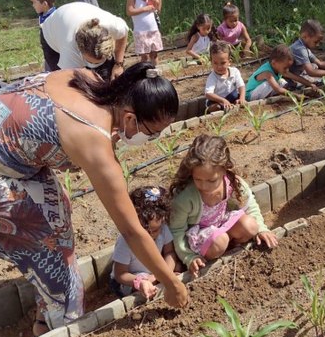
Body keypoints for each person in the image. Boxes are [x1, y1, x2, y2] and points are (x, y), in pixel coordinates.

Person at [0, 61, 189, 337]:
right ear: (131, 118)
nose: (154, 138)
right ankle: (62, 329)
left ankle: (44, 303)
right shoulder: (92, 138)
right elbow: (132, 230)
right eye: (153, 132)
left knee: (57, 210)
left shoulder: (90, 80)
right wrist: (172, 284)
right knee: (55, 251)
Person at [169, 134, 278, 278]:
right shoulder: (186, 198)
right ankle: (208, 258)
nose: (203, 186)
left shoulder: (233, 183)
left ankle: (231, 248)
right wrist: (189, 257)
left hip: (222, 224)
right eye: (198, 179)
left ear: (225, 169)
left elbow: (250, 206)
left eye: (211, 180)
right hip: (201, 236)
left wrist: (262, 229)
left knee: (250, 226)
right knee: (219, 241)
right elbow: (177, 231)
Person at [110, 186, 179, 299]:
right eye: (143, 230)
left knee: (177, 266)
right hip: (130, 279)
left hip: (154, 272)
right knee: (145, 282)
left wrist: (167, 274)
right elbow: (120, 274)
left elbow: (169, 252)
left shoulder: (163, 229)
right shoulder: (126, 242)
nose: (149, 235)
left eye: (154, 230)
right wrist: (141, 282)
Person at [41, 2, 128, 81]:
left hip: (76, 14)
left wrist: (118, 64)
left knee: (106, 77)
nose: (93, 65)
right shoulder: (69, 48)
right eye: (90, 62)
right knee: (63, 82)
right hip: (51, 36)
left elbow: (123, 35)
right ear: (79, 49)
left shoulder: (114, 26)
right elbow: (69, 80)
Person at [286, 19, 325, 88]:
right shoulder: (300, 49)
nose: (318, 45)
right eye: (316, 42)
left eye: (319, 42)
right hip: (289, 78)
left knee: (317, 67)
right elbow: (311, 72)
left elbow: (320, 63)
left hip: (298, 74)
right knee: (319, 80)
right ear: (305, 36)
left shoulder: (304, 46)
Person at [126, 0, 162, 64]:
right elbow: (129, 11)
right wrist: (145, 9)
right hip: (141, 32)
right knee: (144, 56)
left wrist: (157, 2)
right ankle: (144, 73)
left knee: (154, 54)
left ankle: (155, 71)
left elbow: (157, 9)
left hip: (153, 29)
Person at [205, 42, 246, 112]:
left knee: (242, 101)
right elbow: (208, 94)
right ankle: (210, 111)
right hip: (217, 100)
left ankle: (233, 105)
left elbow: (241, 86)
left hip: (231, 97)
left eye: (223, 63)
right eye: (215, 63)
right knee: (216, 107)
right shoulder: (212, 77)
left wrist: (242, 98)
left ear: (229, 62)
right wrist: (223, 100)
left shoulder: (234, 71)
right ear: (211, 62)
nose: (219, 66)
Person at [29, 0, 59, 72]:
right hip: (47, 54)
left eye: (34, 2)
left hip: (56, 56)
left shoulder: (54, 17)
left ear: (45, 4)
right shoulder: (42, 15)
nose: (33, 5)